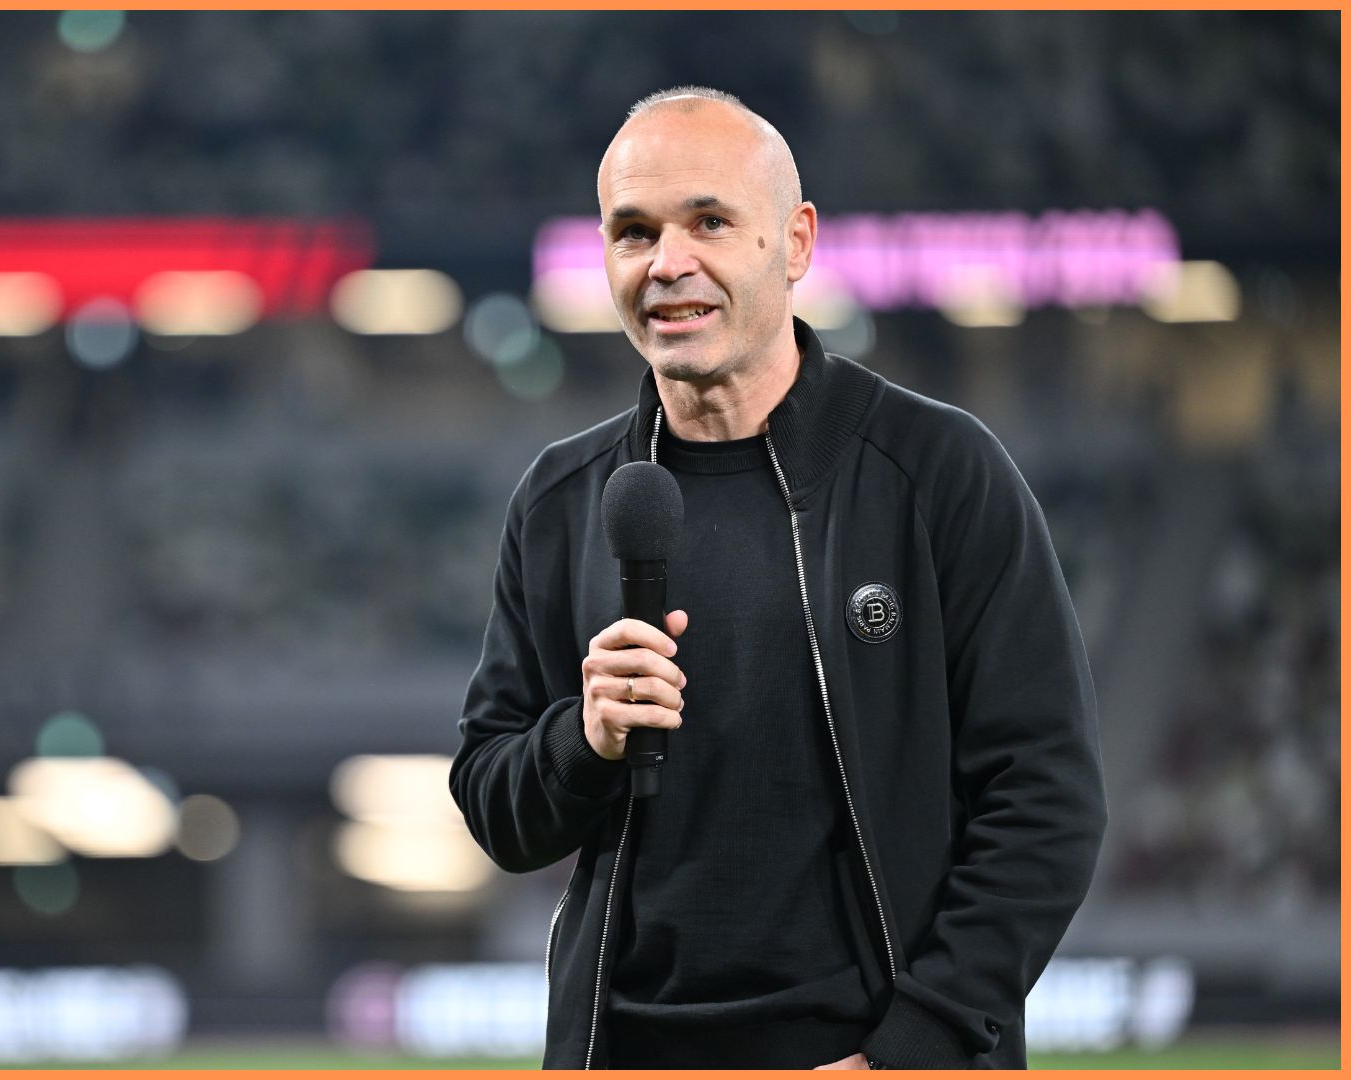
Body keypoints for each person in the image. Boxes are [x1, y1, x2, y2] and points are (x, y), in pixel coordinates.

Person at [447, 87, 1106, 1069]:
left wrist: (915, 1047)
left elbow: (1046, 801)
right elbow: (492, 800)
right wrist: (583, 737)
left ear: (795, 243)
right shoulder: (562, 498)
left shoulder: (937, 471)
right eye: (634, 233)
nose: (668, 263)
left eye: (709, 221)